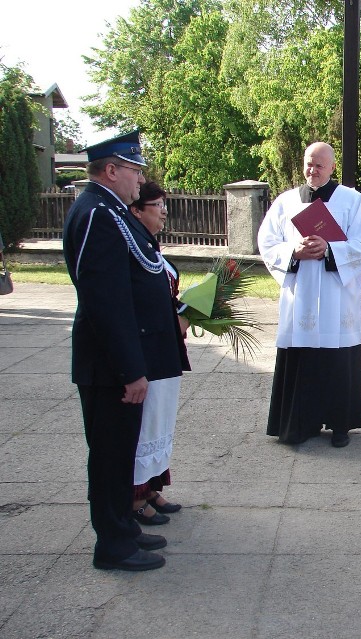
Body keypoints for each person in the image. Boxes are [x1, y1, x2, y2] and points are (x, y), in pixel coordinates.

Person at [63, 131, 186, 571]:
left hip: (118, 362)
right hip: (110, 367)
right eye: (134, 170)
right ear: (111, 170)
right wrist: (131, 370)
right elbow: (106, 302)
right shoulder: (98, 214)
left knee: (119, 454)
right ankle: (112, 545)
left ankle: (123, 528)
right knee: (111, 457)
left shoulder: (110, 210)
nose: (141, 179)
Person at [258, 142, 361, 448]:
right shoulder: (286, 201)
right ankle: (299, 422)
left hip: (337, 296)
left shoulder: (351, 200)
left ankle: (340, 426)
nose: (312, 170)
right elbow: (267, 241)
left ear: (332, 167)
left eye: (319, 165)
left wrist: (330, 249)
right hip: (302, 296)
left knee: (337, 359)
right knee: (303, 355)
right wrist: (292, 252)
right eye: (308, 164)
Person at [128, 182, 191, 525]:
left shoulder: (150, 247)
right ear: (137, 211)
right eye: (157, 205)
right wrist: (174, 316)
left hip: (166, 348)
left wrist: (190, 310)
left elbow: (163, 297)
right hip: (149, 348)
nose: (164, 211)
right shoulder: (132, 246)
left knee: (161, 420)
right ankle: (135, 496)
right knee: (147, 422)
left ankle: (152, 487)